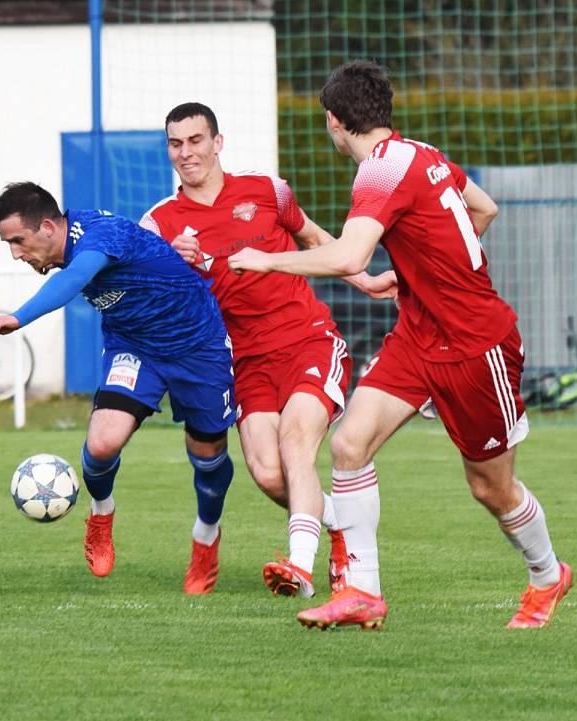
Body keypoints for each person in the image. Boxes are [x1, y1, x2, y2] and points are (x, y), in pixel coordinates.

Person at [228, 60, 572, 630]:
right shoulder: (423, 153)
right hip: (417, 335)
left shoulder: (378, 174)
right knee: (349, 444)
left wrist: (268, 259)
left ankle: (546, 574)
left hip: (475, 345)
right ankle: (362, 592)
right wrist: (415, 277)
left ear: (335, 122)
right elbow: (483, 209)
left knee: (491, 487)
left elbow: (347, 257)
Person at [141, 102, 394, 599]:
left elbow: (315, 238)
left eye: (195, 140)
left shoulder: (267, 191)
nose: (186, 152)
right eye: (176, 143)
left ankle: (299, 566)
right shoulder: (159, 224)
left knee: (297, 441)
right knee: (266, 470)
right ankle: (341, 526)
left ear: (217, 142)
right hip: (244, 359)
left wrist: (363, 280)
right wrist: (171, 264)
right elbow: (152, 301)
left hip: (307, 339)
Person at [0, 182, 236, 595]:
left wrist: (19, 317)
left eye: (18, 241)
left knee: (208, 457)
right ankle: (100, 516)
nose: (16, 253)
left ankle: (205, 539)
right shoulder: (61, 242)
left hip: (197, 346)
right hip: (134, 347)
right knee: (101, 444)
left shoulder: (99, 236)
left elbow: (77, 277)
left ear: (46, 227)